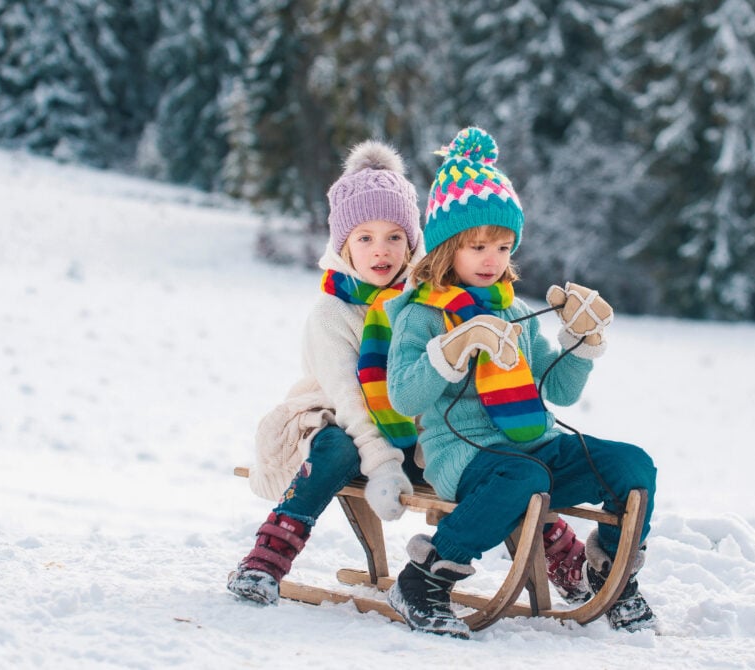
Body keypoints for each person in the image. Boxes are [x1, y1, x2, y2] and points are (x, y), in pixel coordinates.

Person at [382, 127, 658, 639]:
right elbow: (402, 396)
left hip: (536, 447)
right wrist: (452, 350)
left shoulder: (517, 310)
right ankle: (424, 579)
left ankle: (609, 574)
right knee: (523, 478)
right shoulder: (420, 316)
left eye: (504, 246)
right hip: (463, 457)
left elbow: (560, 392)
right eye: (479, 246)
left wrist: (582, 342)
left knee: (631, 464)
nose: (493, 259)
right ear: (447, 247)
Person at [227, 140, 427, 605]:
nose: (381, 251)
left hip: (407, 425)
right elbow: (350, 400)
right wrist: (381, 463)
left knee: (484, 450)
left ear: (412, 242)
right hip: (338, 416)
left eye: (395, 237)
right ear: (343, 245)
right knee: (336, 448)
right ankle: (266, 559)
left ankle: (563, 558)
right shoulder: (332, 313)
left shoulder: (422, 304)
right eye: (365, 238)